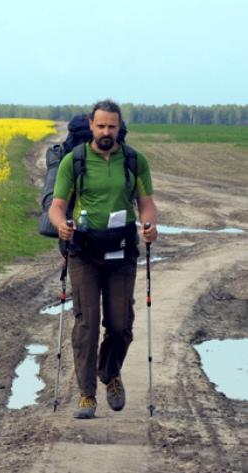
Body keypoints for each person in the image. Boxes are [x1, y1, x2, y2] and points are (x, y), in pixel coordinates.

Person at [48, 100, 158, 419]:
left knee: (121, 324)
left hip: (121, 252)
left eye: (112, 126)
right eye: (100, 126)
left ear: (119, 127)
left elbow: (146, 203)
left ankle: (110, 373)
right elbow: (57, 206)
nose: (106, 132)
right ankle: (86, 395)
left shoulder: (134, 161)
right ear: (92, 126)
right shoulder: (75, 161)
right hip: (84, 253)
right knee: (87, 324)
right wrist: (61, 225)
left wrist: (149, 225)